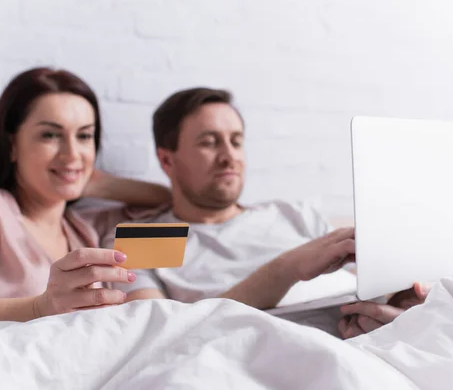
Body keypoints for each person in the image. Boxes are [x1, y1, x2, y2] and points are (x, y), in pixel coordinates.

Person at [99, 87, 430, 337]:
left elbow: (364, 289)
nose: (230, 157)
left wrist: (394, 304)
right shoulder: (144, 239)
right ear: (167, 160)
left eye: (236, 141)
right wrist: (285, 269)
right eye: (209, 142)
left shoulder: (292, 214)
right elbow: (157, 336)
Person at [0, 67, 171, 332]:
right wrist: (37, 308)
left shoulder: (86, 230)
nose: (72, 153)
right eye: (50, 135)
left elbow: (170, 203)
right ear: (12, 145)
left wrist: (97, 183)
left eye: (84, 136)